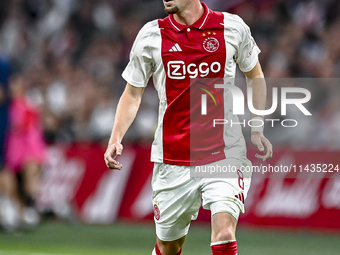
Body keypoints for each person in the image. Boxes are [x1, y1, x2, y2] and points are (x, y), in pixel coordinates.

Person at [104, 1, 273, 254]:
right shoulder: (152, 35)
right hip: (172, 158)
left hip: (225, 152)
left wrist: (257, 126)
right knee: (169, 247)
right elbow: (133, 93)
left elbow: (255, 75)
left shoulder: (232, 27)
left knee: (225, 234)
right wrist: (116, 137)